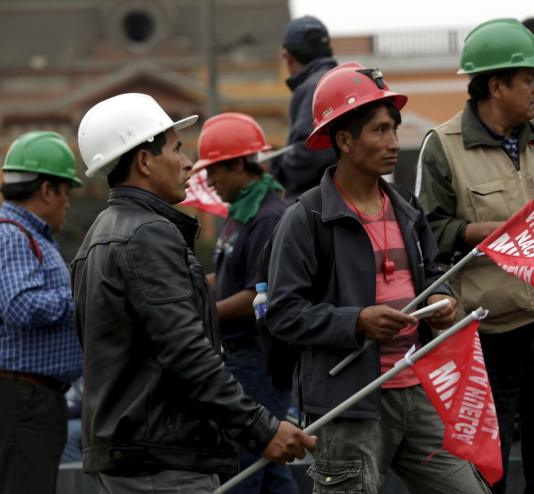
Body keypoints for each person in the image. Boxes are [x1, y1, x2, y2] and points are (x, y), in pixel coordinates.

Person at [71, 93, 316, 493]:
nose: (189, 164)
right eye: (177, 149)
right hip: (161, 456)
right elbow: (185, 350)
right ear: (144, 162)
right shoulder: (147, 234)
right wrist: (260, 428)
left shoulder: (101, 233)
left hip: (132, 450)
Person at [266, 62, 491, 494]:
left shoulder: (407, 206)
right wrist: (356, 320)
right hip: (350, 406)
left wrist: (442, 299)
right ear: (345, 141)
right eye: (380, 131)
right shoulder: (306, 218)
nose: (393, 142)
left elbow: (431, 273)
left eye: (394, 129)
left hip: (419, 390)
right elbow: (282, 313)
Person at [416, 18, 534, 494]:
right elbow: (423, 235)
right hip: (489, 336)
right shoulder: (442, 147)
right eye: (529, 79)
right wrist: (478, 232)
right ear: (496, 86)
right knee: (483, 472)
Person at [192, 112, 298, 494]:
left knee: (242, 470)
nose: (210, 181)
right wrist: (190, 286)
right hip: (240, 357)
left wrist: (201, 313)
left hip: (258, 359)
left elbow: (261, 293)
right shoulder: (242, 212)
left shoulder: (269, 217)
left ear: (239, 163)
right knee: (270, 472)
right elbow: (233, 278)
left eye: (215, 170)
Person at [0, 131, 84, 494]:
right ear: (48, 190)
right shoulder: (14, 234)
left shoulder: (31, 234)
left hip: (34, 400)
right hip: (23, 402)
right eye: (67, 191)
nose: (68, 202)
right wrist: (82, 298)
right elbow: (20, 305)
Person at [271, 15, 338, 202]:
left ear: (289, 57)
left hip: (319, 206)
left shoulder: (312, 88)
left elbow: (308, 153)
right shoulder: (344, 81)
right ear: (329, 51)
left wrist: (273, 166)